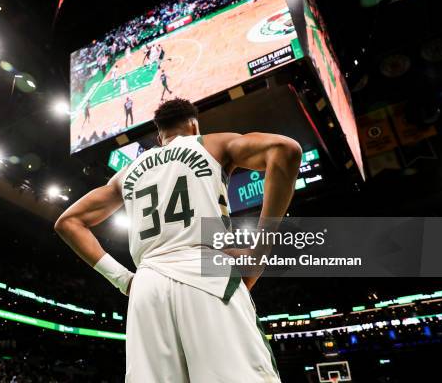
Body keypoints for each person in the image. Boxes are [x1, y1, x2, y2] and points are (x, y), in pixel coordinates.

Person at [55, 98, 301, 382]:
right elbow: (285, 150)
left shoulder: (127, 172)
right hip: (206, 271)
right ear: (194, 124)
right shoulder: (211, 143)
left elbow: (68, 222)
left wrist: (124, 280)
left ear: (160, 135)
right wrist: (260, 250)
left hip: (146, 286)